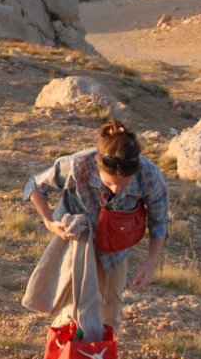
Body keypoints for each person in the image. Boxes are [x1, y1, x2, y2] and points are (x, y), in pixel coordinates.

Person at [22, 117, 170, 335]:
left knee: (110, 309)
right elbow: (34, 186)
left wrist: (150, 264)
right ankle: (70, 358)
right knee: (73, 308)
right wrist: (49, 223)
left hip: (115, 248)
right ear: (97, 164)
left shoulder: (150, 175)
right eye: (109, 183)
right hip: (76, 243)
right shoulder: (78, 164)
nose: (116, 190)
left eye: (124, 184)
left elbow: (159, 222)